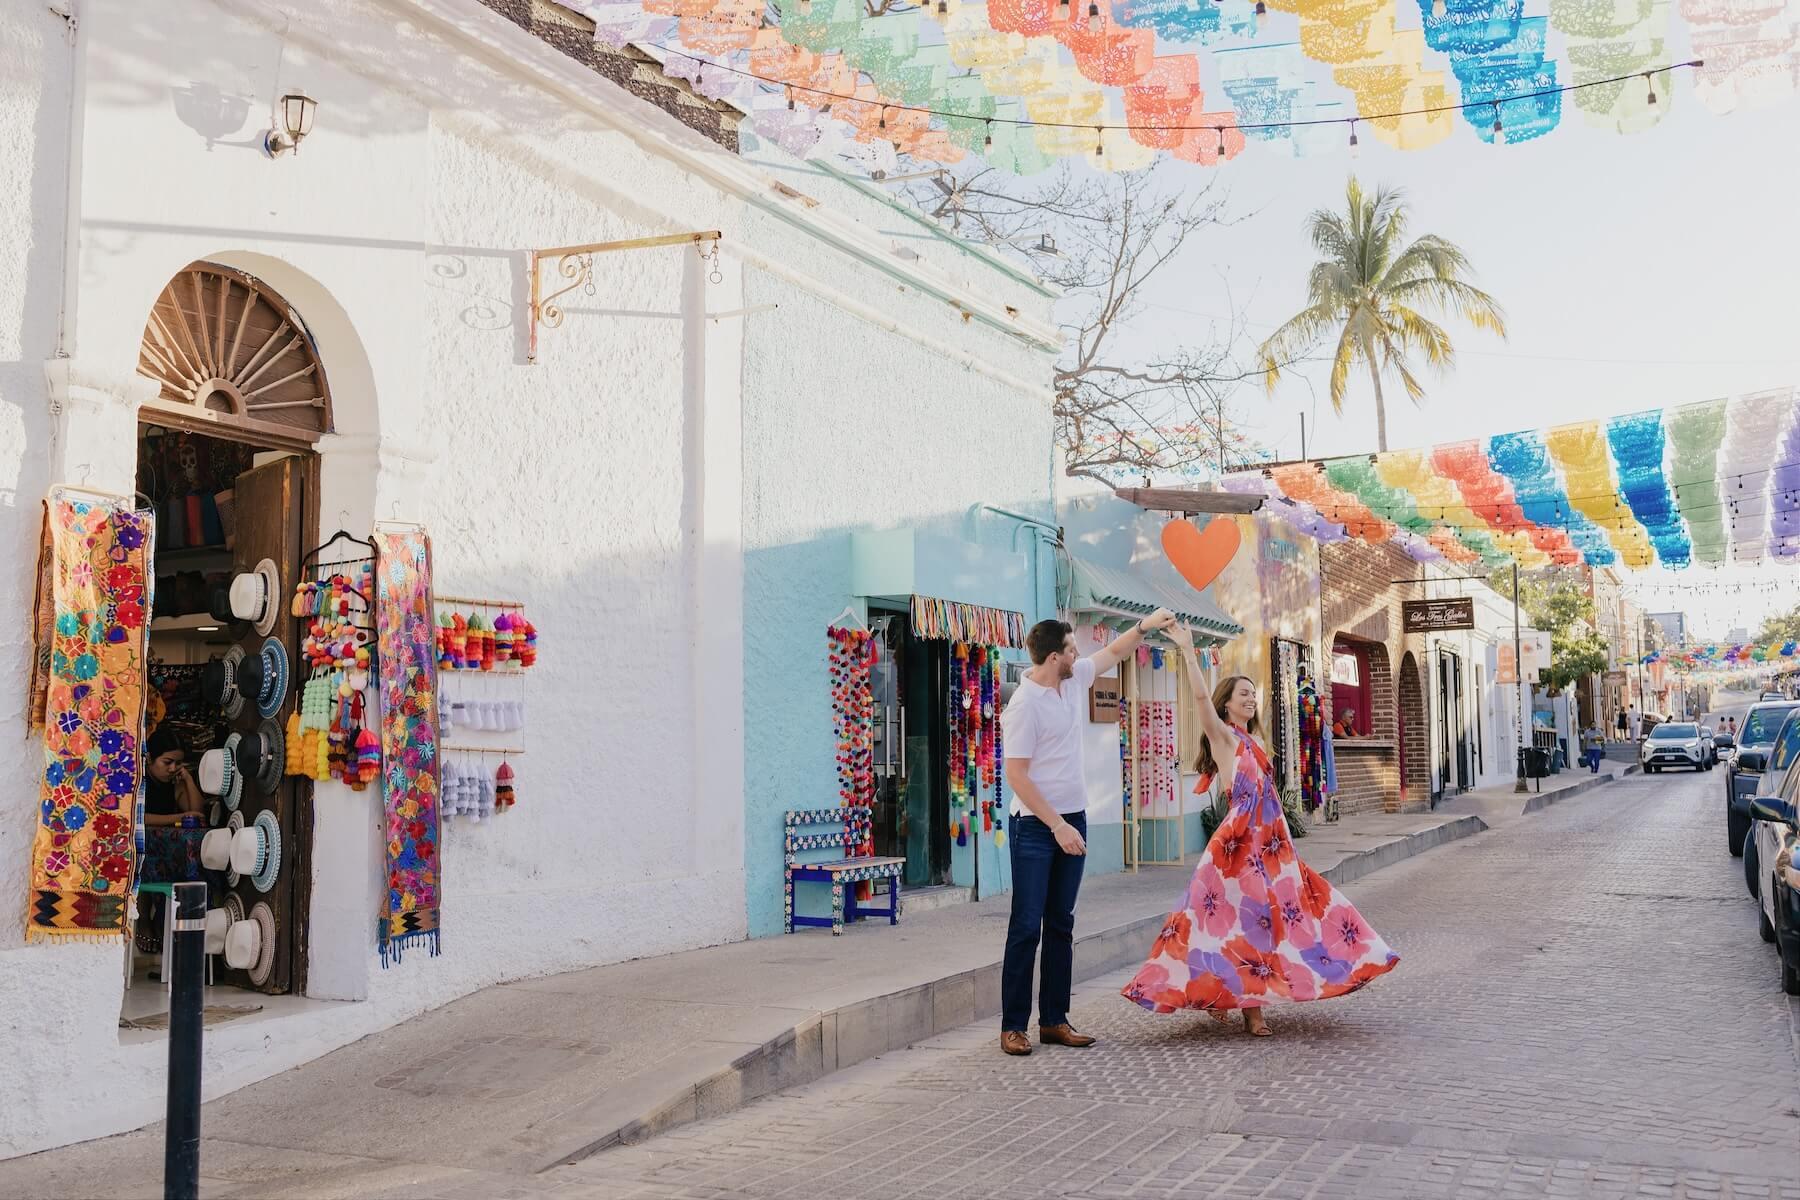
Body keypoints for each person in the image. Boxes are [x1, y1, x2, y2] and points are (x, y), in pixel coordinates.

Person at [1121, 623, 1399, 1037]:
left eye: (1253, 694)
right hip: (1238, 849)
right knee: (1242, 924)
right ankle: (1250, 1010)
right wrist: (1187, 649)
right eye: (1243, 694)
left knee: (1301, 911)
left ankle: (1347, 963)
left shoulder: (1254, 742)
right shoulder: (1223, 738)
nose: (1251, 699)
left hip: (1272, 847)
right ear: (1227, 704)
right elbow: (1200, 698)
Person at [998, 607, 1177, 1057]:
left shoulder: (1073, 678)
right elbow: (1017, 776)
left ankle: (1054, 1021)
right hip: (1036, 827)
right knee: (1027, 927)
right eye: (1072, 648)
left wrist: (1144, 626)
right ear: (1053, 657)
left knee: (1061, 923)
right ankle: (1013, 1026)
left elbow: (1114, 652)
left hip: (1071, 819)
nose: (1079, 654)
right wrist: (1056, 824)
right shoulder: (1024, 706)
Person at [136, 725, 206, 957]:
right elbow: (137, 818)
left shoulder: (173, 784)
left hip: (165, 846)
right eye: (167, 762)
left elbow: (197, 813)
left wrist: (187, 779)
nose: (173, 768)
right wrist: (177, 818)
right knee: (142, 858)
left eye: (178, 763)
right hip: (142, 844)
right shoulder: (139, 781)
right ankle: (144, 918)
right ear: (149, 759)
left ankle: (163, 918)